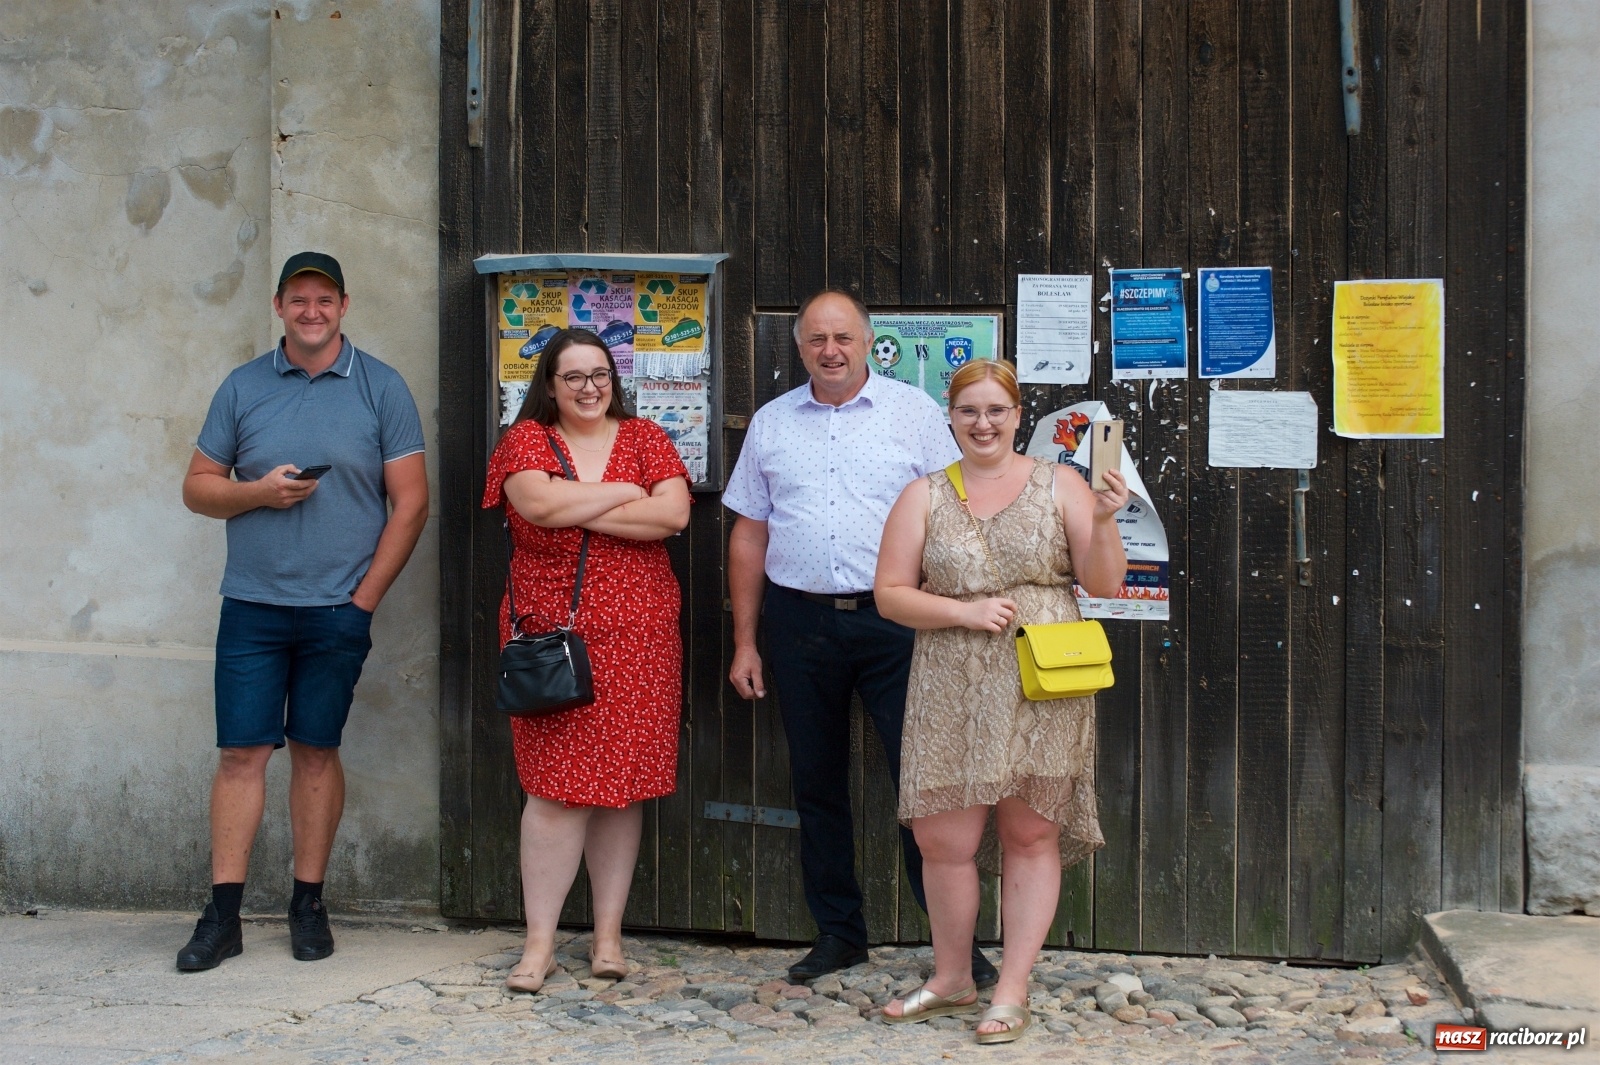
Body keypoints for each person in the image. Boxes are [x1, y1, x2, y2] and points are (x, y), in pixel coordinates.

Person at [723, 288, 997, 987]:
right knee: (816, 782)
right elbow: (749, 532)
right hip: (799, 620)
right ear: (800, 347)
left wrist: (958, 611)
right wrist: (746, 640)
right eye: (816, 339)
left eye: (843, 337)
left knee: (924, 784)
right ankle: (840, 932)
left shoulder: (914, 414)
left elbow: (954, 513)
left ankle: (953, 944)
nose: (830, 350)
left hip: (898, 622)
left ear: (869, 341)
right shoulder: (771, 422)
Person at [177, 252, 429, 970]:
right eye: (298, 299)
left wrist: (363, 602)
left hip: (337, 608)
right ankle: (222, 916)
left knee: (318, 751)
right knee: (240, 753)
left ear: (344, 305)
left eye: (324, 299)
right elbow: (197, 487)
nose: (311, 310)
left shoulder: (381, 387)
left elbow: (411, 502)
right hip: (252, 604)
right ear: (278, 304)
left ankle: (307, 904)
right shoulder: (243, 385)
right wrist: (257, 492)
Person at [873, 358, 1128, 1043]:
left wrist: (1104, 519)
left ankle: (1011, 987)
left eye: (996, 410)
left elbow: (1103, 581)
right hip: (950, 678)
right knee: (943, 837)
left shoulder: (1063, 484)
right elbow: (890, 593)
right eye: (968, 411)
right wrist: (963, 612)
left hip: (1040, 678)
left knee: (1030, 830)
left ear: (1018, 416)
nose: (983, 423)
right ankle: (952, 975)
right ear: (950, 418)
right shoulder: (923, 494)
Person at [482, 328, 691, 993]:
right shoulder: (527, 442)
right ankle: (539, 944)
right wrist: (627, 494)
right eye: (573, 376)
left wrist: (580, 506)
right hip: (553, 638)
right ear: (549, 384)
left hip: (641, 637)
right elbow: (537, 504)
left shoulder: (647, 436)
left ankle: (607, 936)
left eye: (599, 373)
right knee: (555, 788)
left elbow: (674, 516)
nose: (589, 386)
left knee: (621, 788)